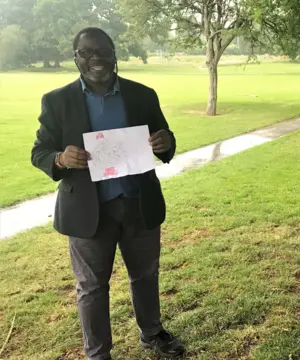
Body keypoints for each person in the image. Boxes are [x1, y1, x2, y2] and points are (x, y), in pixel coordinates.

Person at [31, 27, 185, 360]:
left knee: (145, 275)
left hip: (138, 204)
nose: (96, 58)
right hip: (89, 212)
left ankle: (152, 332)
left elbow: (165, 141)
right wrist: (60, 158)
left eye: (103, 51)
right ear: (76, 57)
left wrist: (166, 141)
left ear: (114, 54)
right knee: (92, 288)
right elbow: (39, 151)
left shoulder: (142, 94)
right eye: (87, 52)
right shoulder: (57, 101)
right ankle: (98, 354)